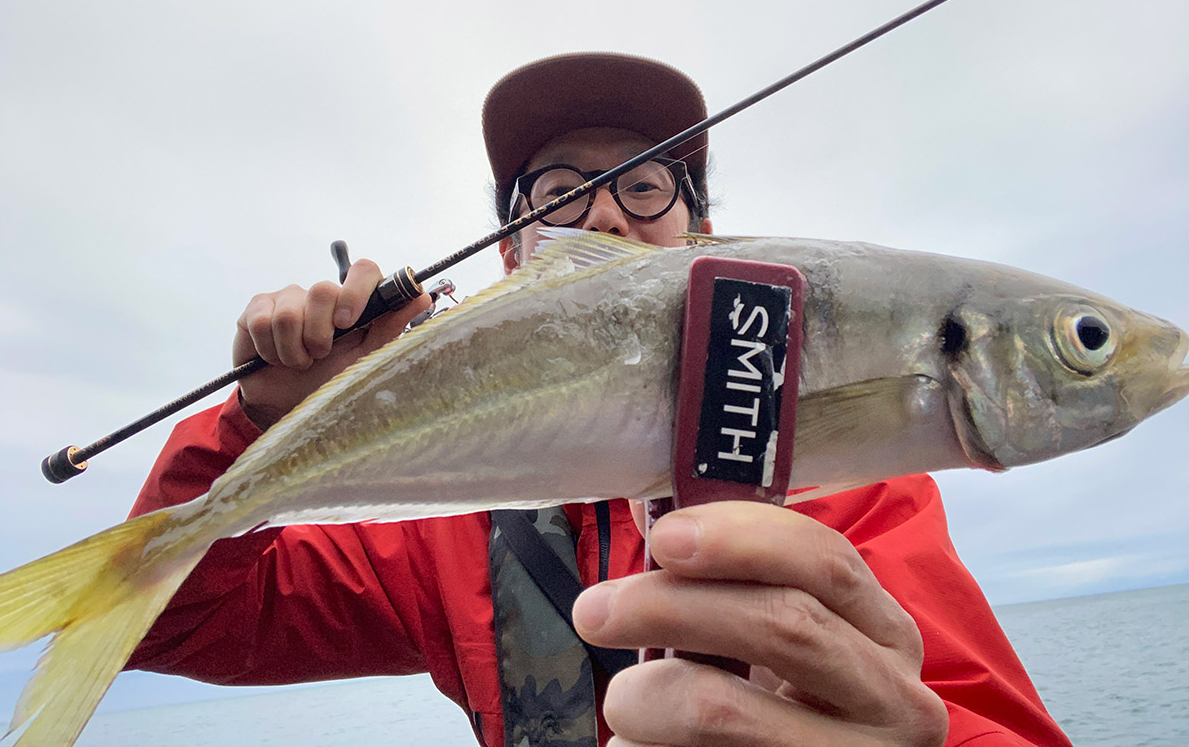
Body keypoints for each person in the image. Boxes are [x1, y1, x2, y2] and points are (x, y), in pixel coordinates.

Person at [125, 53, 1072, 747]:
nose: (608, 215)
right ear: (509, 258)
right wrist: (255, 426)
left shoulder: (840, 479)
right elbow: (172, 620)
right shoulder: (442, 524)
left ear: (708, 235)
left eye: (647, 184)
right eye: (557, 196)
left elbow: (992, 721)